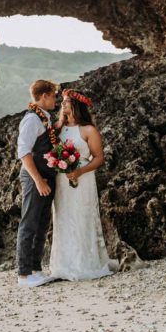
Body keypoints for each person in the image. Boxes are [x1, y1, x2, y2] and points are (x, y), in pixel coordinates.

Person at [48, 88, 116, 280]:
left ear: (76, 105)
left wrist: (80, 171)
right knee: (63, 218)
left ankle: (85, 264)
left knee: (82, 217)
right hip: (62, 180)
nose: (63, 104)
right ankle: (63, 265)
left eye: (67, 101)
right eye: (62, 101)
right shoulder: (57, 128)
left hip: (83, 179)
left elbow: (99, 158)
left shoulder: (88, 130)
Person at [15, 79, 59, 287]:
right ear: (44, 96)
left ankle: (36, 269)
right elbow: (24, 152)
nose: (56, 99)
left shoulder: (45, 119)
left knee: (42, 224)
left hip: (46, 176)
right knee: (29, 223)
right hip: (35, 177)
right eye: (54, 95)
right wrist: (39, 180)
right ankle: (23, 274)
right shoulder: (32, 120)